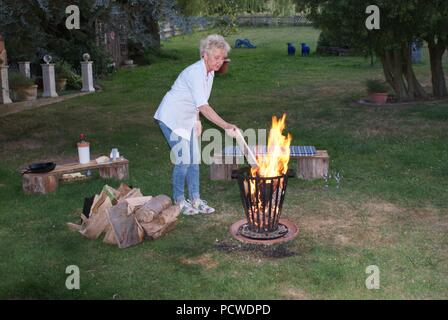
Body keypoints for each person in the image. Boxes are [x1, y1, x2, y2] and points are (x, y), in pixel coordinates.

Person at [154, 34, 239, 215]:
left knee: (194, 160)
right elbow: (204, 106)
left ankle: (195, 199)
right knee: (184, 160)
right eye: (216, 57)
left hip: (187, 119)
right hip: (170, 117)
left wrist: (196, 120)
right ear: (205, 55)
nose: (219, 62)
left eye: (222, 58)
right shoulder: (195, 72)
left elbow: (196, 101)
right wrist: (226, 125)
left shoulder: (209, 74)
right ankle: (179, 201)